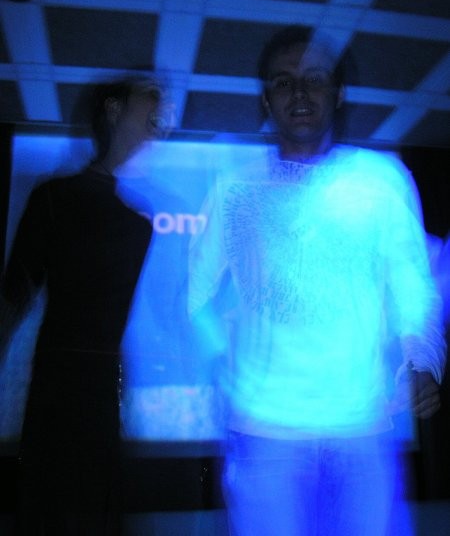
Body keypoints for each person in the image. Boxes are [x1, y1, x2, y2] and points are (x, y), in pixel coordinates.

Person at [188, 27, 446, 535]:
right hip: (266, 436)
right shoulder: (234, 186)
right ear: (266, 99)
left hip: (361, 429)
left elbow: (414, 286)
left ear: (338, 93)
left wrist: (423, 362)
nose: (300, 93)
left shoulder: (378, 180)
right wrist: (218, 360)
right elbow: (195, 294)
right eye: (284, 83)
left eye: (314, 79)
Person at [0, 75, 168, 534]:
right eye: (146, 110)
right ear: (113, 111)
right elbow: (15, 296)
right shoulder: (56, 200)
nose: (154, 125)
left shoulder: (135, 224)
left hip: (90, 387)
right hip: (61, 386)